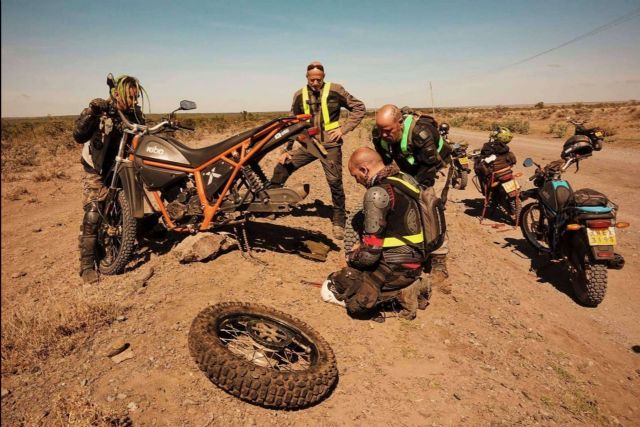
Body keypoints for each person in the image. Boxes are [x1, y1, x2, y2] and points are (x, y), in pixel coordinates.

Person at [321, 148, 431, 321]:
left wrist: (351, 257)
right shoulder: (404, 178)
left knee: (338, 285)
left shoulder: (377, 193)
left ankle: (400, 293)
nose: (357, 181)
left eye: (355, 175)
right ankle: (409, 284)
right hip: (418, 257)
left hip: (396, 266)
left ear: (364, 170)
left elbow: (369, 256)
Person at [270, 61, 366, 240]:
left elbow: (359, 108)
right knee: (282, 167)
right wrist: (286, 149)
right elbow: (291, 124)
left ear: (324, 77)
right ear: (307, 78)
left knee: (334, 181)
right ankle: (270, 205)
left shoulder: (336, 90)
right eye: (312, 80)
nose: (315, 83)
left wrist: (343, 129)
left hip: (330, 146)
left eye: (318, 80)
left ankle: (338, 219)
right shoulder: (299, 95)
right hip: (308, 145)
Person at [73, 74, 147, 284]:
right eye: (130, 97)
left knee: (131, 204)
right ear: (116, 93)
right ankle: (87, 265)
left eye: (135, 97)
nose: (133, 101)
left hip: (119, 166)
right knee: (94, 211)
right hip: (96, 167)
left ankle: (127, 239)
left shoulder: (135, 114)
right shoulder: (100, 110)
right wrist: (92, 113)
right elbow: (78, 135)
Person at [371, 104, 450, 288]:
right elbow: (384, 161)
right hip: (408, 167)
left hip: (432, 168)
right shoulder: (379, 135)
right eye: (381, 130)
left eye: (388, 130)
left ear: (400, 123)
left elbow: (428, 169)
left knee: (429, 208)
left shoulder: (421, 133)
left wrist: (412, 189)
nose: (384, 134)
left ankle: (439, 259)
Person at [473, 127, 516, 194]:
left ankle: (486, 192)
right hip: (507, 170)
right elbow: (513, 162)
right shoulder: (506, 149)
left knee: (479, 169)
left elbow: (483, 155)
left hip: (495, 171)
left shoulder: (488, 146)